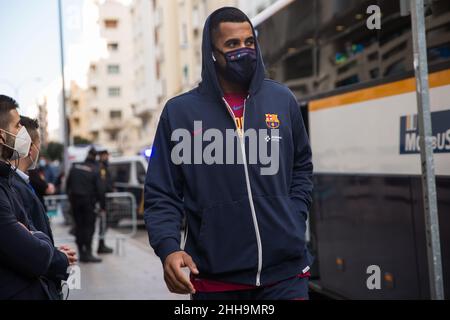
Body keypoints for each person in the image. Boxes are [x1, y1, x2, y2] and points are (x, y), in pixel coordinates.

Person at [144, 7, 313, 300]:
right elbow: (162, 192)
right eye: (232, 45)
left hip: (286, 276)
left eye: (249, 42)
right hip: (216, 282)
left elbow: (302, 166)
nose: (244, 51)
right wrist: (168, 247)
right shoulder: (179, 113)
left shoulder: (282, 99)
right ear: (212, 53)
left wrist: (294, 216)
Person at [11, 116, 77, 299]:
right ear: (31, 148)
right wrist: (58, 259)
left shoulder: (21, 181)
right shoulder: (13, 186)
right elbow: (24, 245)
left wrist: (54, 252)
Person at [0, 95, 55, 299]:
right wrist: (38, 239)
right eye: (16, 126)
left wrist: (33, 236)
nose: (22, 133)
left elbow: (32, 233)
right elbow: (36, 257)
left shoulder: (6, 181)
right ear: (1, 136)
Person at [66, 147, 104, 263]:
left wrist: (70, 199)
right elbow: (100, 189)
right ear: (95, 156)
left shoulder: (75, 167)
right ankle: (87, 253)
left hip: (75, 201)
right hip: (88, 202)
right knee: (88, 227)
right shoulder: (96, 169)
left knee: (78, 226)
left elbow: (67, 185)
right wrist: (103, 205)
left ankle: (81, 252)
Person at [96, 148, 114, 254]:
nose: (107, 157)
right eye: (105, 155)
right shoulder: (101, 167)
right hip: (103, 200)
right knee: (103, 223)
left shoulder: (104, 166)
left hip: (105, 199)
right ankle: (101, 245)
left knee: (104, 223)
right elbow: (102, 185)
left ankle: (102, 244)